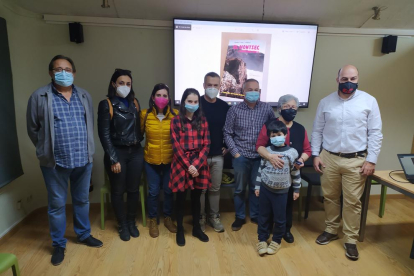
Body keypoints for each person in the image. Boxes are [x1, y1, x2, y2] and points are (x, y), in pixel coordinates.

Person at [26, 55, 102, 266]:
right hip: (54, 163)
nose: (64, 73)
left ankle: (83, 234)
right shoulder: (39, 96)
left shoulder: (84, 96)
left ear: (74, 73)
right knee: (57, 205)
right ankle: (58, 244)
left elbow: (89, 126)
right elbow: (33, 130)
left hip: (83, 161)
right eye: (58, 69)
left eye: (68, 69)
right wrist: (45, 149)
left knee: (82, 200)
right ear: (50, 73)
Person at [311, 65, 383, 260]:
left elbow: (375, 133)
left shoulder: (369, 101)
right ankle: (331, 229)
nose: (348, 82)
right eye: (344, 79)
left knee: (352, 202)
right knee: (330, 197)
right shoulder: (325, 102)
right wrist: (316, 155)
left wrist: (371, 159)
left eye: (352, 78)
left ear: (358, 78)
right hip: (329, 157)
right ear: (337, 80)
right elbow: (317, 130)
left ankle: (350, 239)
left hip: (357, 160)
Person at [256, 94, 311, 243]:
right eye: (286, 107)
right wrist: (270, 157)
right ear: (279, 108)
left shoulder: (300, 129)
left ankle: (285, 230)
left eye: (293, 107)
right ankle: (266, 230)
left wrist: (300, 160)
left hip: (290, 174)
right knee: (268, 206)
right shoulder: (269, 125)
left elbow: (307, 150)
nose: (290, 109)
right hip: (270, 174)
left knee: (286, 204)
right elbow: (259, 146)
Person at [98, 69, 144, 242]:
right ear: (113, 84)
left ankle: (132, 222)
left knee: (133, 189)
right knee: (118, 190)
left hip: (136, 152)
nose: (125, 86)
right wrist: (113, 158)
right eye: (121, 83)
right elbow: (104, 134)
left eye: (128, 84)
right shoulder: (106, 104)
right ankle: (122, 224)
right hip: (117, 152)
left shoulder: (135, 103)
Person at [223, 79, 275, 231]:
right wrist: (236, 153)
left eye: (256, 89)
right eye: (249, 89)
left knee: (255, 188)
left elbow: (274, 129)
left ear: (259, 91)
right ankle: (239, 217)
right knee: (239, 189)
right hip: (241, 156)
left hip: (260, 156)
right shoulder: (234, 110)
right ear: (243, 91)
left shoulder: (266, 109)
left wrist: (269, 151)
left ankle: (254, 215)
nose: (253, 92)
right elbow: (227, 133)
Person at [169, 88, 211, 246]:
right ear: (183, 102)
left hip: (199, 164)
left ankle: (196, 228)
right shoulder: (176, 121)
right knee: (180, 198)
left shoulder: (202, 120)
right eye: (189, 101)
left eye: (195, 102)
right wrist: (188, 166)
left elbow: (207, 145)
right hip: (181, 164)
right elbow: (176, 146)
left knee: (197, 198)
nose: (193, 104)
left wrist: (197, 165)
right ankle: (180, 229)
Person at [255, 120, 301, 256]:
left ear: (285, 135)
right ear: (269, 137)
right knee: (263, 216)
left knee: (280, 218)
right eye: (273, 135)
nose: (276, 138)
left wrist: (297, 189)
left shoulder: (292, 153)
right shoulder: (267, 151)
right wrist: (257, 186)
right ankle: (262, 239)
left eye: (279, 134)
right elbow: (260, 169)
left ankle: (276, 241)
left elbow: (295, 172)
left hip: (282, 193)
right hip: (265, 189)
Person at [140, 83, 178, 238]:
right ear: (152, 97)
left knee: (169, 191)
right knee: (153, 192)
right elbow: (137, 135)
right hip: (151, 160)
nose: (161, 98)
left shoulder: (175, 115)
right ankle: (153, 220)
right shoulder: (145, 115)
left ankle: (168, 218)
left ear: (168, 99)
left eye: (164, 95)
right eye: (158, 95)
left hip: (170, 160)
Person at [199, 72, 230, 233]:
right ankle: (201, 217)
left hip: (218, 155)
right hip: (200, 156)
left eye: (215, 85)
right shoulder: (196, 103)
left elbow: (229, 129)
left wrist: (227, 145)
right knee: (201, 189)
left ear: (220, 86)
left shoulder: (224, 106)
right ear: (204, 85)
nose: (212, 88)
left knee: (215, 188)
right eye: (209, 85)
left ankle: (214, 217)